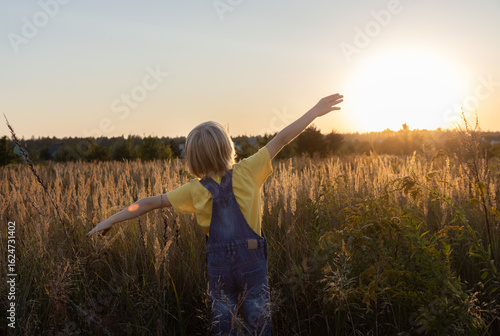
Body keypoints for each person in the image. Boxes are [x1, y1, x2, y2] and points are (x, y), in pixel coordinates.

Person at [86, 93, 343, 335]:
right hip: (252, 265)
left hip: (218, 270)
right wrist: (315, 111)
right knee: (259, 326)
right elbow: (282, 138)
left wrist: (110, 219)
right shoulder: (249, 170)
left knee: (224, 327)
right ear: (228, 148)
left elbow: (145, 204)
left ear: (193, 160)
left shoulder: (193, 190)